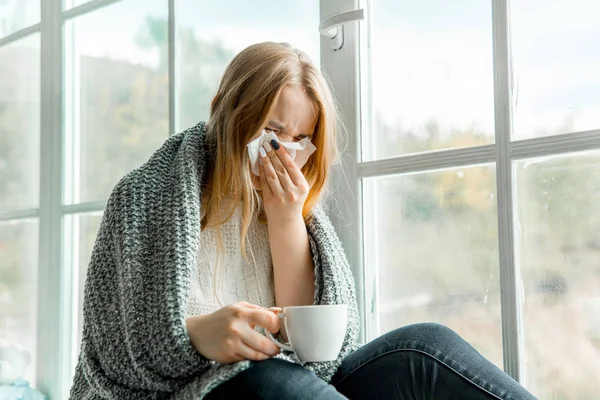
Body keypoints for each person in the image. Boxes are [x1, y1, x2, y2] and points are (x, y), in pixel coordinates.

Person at [69, 42, 536, 400]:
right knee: (269, 380)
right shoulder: (144, 197)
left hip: (292, 383)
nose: (284, 152)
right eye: (271, 131)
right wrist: (197, 338)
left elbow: (315, 351)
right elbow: (111, 359)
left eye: (300, 138)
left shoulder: (294, 211)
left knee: (425, 346)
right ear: (224, 112)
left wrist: (285, 218)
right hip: (189, 392)